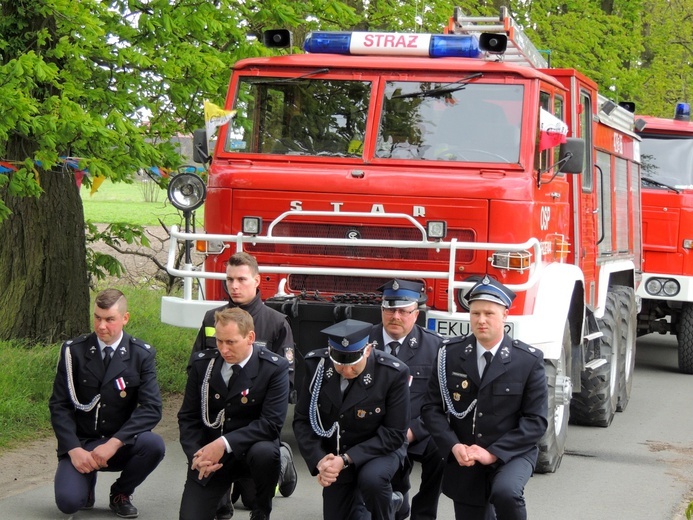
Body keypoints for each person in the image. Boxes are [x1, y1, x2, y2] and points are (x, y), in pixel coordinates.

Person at [421, 276, 548, 520]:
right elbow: (431, 408)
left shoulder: (528, 360)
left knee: (506, 493)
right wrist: (453, 445)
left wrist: (493, 453)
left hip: (512, 452)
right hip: (465, 454)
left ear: (505, 316)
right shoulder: (449, 354)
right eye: (475, 313)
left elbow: (536, 421)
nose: (481, 320)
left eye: (489, 313)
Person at [188, 252, 297, 519]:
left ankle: (280, 458)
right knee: (217, 506)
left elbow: (287, 378)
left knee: (252, 498)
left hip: (254, 428)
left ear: (257, 280)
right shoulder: (212, 318)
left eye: (241, 279)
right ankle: (222, 489)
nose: (234, 286)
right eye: (229, 280)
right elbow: (197, 368)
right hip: (220, 424)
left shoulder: (275, 322)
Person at [49, 288, 165, 518]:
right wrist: (73, 449)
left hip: (119, 445)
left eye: (110, 319)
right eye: (97, 318)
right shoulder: (74, 351)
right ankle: (85, 485)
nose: (102, 326)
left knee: (153, 445)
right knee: (69, 503)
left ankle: (121, 493)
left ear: (125, 318)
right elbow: (59, 405)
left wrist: (115, 443)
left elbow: (152, 409)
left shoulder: (141, 354)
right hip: (82, 444)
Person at [178, 307, 290, 520]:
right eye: (219, 341)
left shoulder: (274, 368)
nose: (223, 349)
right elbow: (188, 417)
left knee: (267, 454)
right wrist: (197, 455)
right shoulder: (204, 365)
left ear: (250, 338)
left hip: (251, 452)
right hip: (211, 455)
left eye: (231, 342)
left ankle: (261, 512)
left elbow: (271, 424)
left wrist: (222, 444)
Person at [293, 319, 410, 520]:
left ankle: (388, 504)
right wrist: (320, 460)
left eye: (353, 365)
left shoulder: (393, 373)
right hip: (336, 453)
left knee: (372, 481)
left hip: (378, 451)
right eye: (339, 364)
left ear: (367, 350)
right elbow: (302, 420)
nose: (346, 371)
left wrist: (346, 459)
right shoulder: (317, 365)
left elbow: (394, 434)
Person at [370, 279, 445, 520]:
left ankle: (424, 512)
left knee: (441, 449)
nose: (396, 316)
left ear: (416, 314)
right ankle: (395, 501)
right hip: (374, 430)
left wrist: (412, 431)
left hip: (416, 431)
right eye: (390, 309)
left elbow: (440, 403)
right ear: (381, 310)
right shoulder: (361, 343)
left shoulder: (435, 347)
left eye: (404, 311)